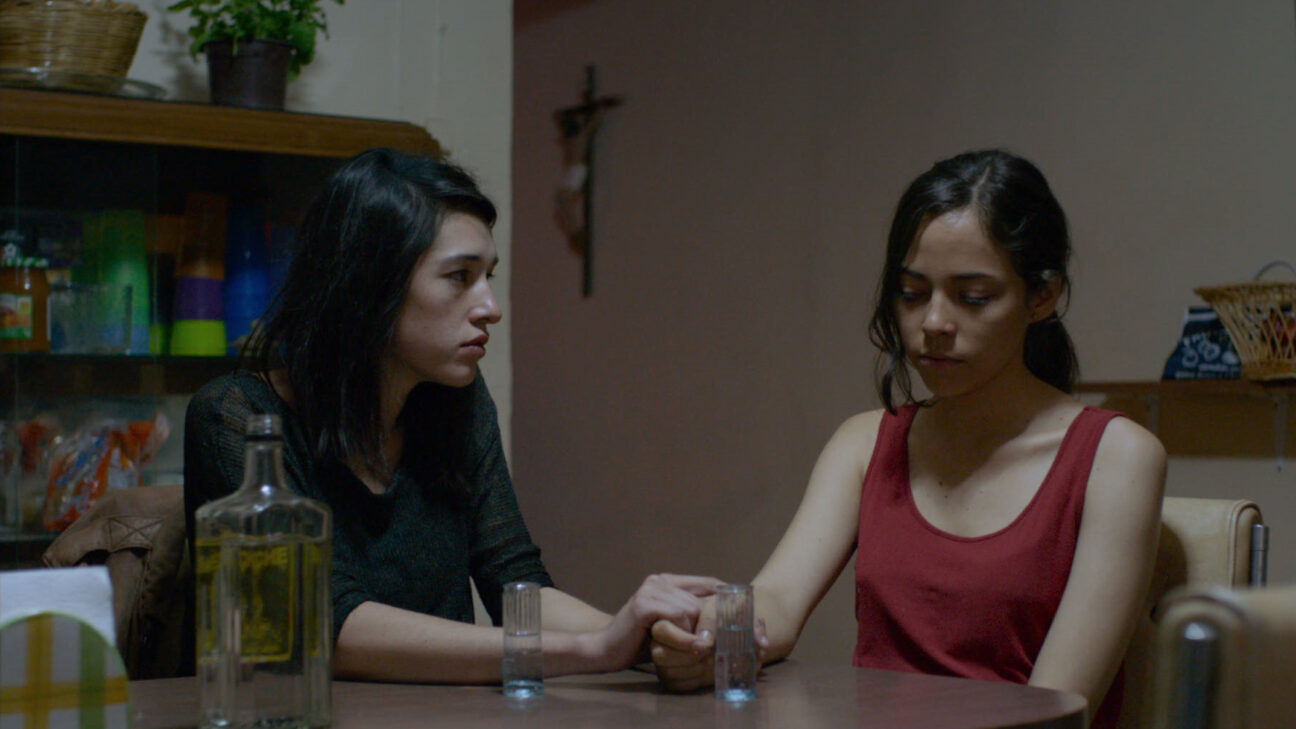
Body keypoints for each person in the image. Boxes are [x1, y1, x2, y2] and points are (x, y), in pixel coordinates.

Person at [651, 149, 1165, 728]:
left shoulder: (1117, 457)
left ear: (1041, 296)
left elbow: (1053, 709)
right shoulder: (863, 443)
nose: (934, 324)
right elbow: (777, 601)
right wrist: (712, 640)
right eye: (912, 293)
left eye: (973, 297)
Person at [184, 148, 716, 683]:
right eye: (460, 276)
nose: (491, 308)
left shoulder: (454, 399)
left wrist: (652, 638)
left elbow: (517, 584)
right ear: (371, 285)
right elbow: (321, 627)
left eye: (488, 276)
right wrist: (596, 648)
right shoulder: (239, 417)